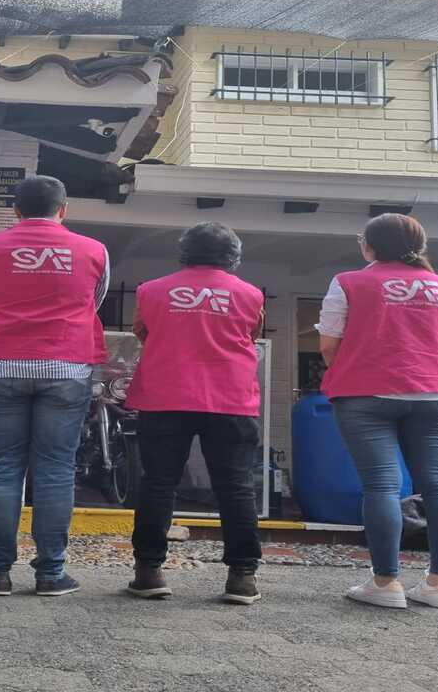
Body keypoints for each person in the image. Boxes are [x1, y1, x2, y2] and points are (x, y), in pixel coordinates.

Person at [0, 175, 110, 597]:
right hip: (66, 367)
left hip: (1, 365)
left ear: (17, 210)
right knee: (56, 470)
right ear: (63, 210)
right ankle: (51, 573)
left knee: (4, 466)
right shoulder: (95, 250)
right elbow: (92, 301)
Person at [318, 213, 438, 610]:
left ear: (369, 245)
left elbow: (329, 347)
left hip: (366, 396)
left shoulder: (348, 282)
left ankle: (385, 583)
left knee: (381, 487)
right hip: (435, 397)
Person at [124, 223, 266, 604]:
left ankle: (149, 571)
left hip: (165, 395)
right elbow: (250, 335)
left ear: (183, 253)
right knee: (235, 486)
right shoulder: (251, 295)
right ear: (233, 257)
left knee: (158, 484)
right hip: (231, 398)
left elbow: (143, 331)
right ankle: (242, 576)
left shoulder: (152, 290)